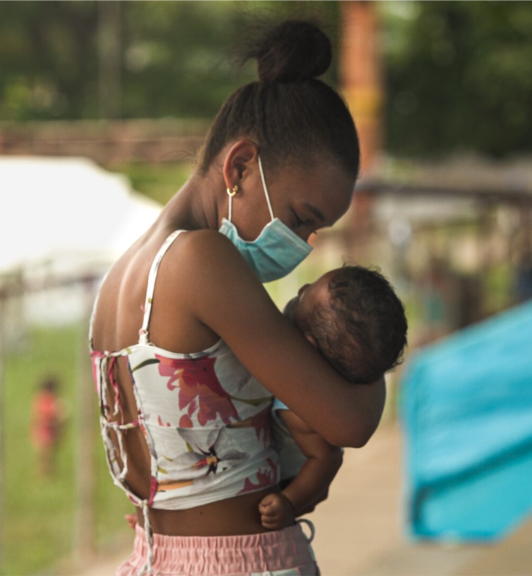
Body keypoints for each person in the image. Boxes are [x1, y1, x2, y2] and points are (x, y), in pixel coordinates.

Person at [87, 19, 385, 576]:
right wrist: (369, 343)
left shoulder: (123, 273)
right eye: (301, 219)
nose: (301, 244)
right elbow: (351, 422)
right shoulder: (203, 263)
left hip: (154, 560)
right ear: (240, 166)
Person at [258, 266, 408, 530]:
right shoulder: (324, 369)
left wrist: (289, 502)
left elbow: (326, 458)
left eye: (305, 296)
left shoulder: (298, 400)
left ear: (309, 344)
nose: (301, 289)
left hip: (289, 481)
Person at [30, 375, 64, 479]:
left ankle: (47, 472)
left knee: (47, 454)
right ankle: (45, 473)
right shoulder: (46, 399)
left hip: (47, 429)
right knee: (46, 454)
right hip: (45, 429)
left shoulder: (43, 398)